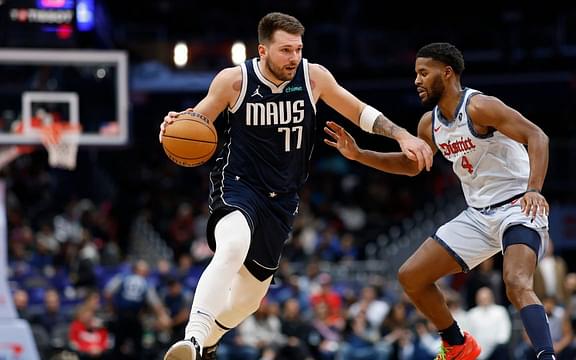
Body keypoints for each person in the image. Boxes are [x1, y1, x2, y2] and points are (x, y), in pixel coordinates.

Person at [159, 12, 432, 360]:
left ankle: (210, 339)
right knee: (232, 246)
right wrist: (172, 128)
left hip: (283, 198)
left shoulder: (313, 77)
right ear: (262, 50)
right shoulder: (234, 81)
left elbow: (361, 112)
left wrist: (402, 134)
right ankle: (194, 339)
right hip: (239, 185)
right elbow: (193, 124)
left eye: (298, 49)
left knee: (249, 299)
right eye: (285, 50)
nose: (294, 58)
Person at [324, 42, 554, 359]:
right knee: (411, 276)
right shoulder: (428, 124)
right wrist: (359, 155)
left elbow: (537, 136)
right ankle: (457, 343)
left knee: (515, 282)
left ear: (446, 73)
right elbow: (410, 165)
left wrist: (534, 188)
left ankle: (546, 355)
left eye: (423, 72)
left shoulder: (480, 107)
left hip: (518, 204)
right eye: (415, 74)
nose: (416, 80)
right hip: (477, 214)